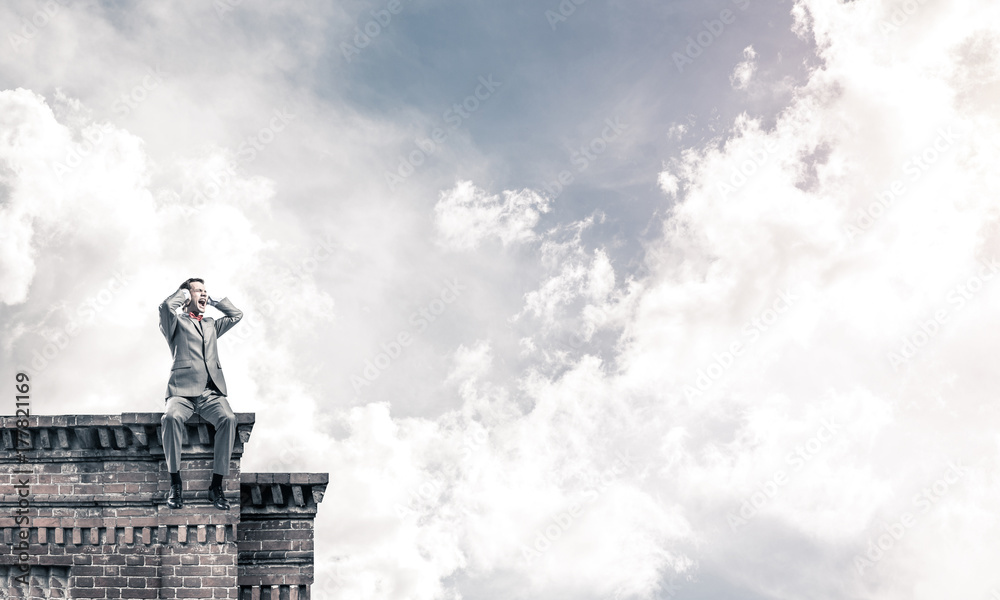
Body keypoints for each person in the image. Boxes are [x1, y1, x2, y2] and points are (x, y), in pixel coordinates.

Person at [158, 278, 243, 510]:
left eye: (206, 291)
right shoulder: (175, 323)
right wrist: (183, 293)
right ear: (188, 296)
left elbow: (237, 315)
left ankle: (216, 486)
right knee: (171, 418)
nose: (204, 294)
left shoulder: (210, 324)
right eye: (199, 291)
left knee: (229, 419)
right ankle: (175, 483)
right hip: (181, 393)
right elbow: (165, 307)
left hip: (210, 392)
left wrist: (214, 301)